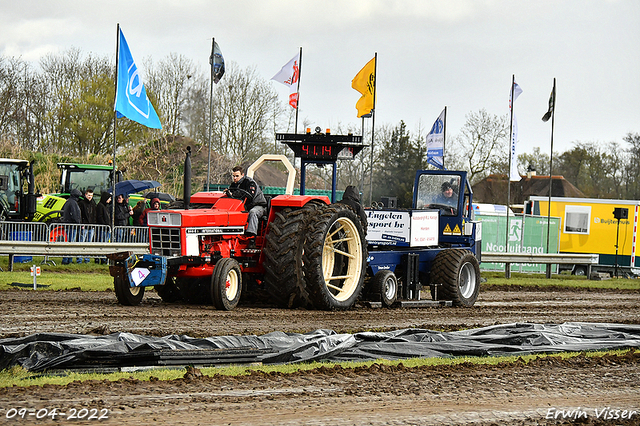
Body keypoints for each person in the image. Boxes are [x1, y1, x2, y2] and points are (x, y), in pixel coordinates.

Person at [224, 165, 267, 242]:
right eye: (233, 176)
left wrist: (234, 194)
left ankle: (251, 236)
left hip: (258, 205)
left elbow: (249, 196)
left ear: (242, 175)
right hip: (244, 206)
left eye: (237, 176)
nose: (235, 178)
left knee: (253, 212)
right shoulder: (233, 185)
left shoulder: (250, 183)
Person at [61, 188, 82, 265]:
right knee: (70, 243)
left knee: (69, 242)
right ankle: (67, 260)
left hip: (68, 224)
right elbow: (75, 214)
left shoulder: (68, 202)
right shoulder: (73, 203)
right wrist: (78, 223)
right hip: (72, 225)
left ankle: (68, 259)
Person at [78, 188, 97, 263]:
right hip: (84, 225)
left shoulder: (93, 204)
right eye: (89, 195)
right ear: (85, 195)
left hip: (91, 226)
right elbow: (80, 215)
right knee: (81, 242)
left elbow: (94, 214)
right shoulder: (82, 203)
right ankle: (79, 258)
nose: (90, 197)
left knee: (89, 243)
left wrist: (94, 224)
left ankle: (87, 259)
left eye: (91, 195)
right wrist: (82, 223)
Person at [95, 191, 112, 264]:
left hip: (106, 228)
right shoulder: (100, 206)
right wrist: (105, 224)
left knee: (104, 244)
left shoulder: (105, 206)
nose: (110, 200)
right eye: (109, 198)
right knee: (101, 243)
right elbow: (100, 217)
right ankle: (99, 258)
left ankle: (102, 258)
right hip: (102, 228)